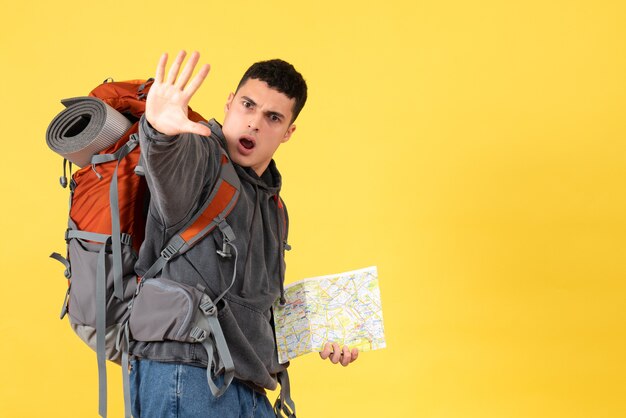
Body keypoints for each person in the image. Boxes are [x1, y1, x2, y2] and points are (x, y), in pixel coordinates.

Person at [129, 50, 359, 418]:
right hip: (186, 376)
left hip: (251, 388)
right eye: (248, 106)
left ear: (288, 132)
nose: (254, 123)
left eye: (273, 117)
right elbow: (167, 161)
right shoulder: (200, 156)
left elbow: (255, 304)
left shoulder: (275, 207)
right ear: (230, 103)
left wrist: (323, 332)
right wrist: (158, 131)